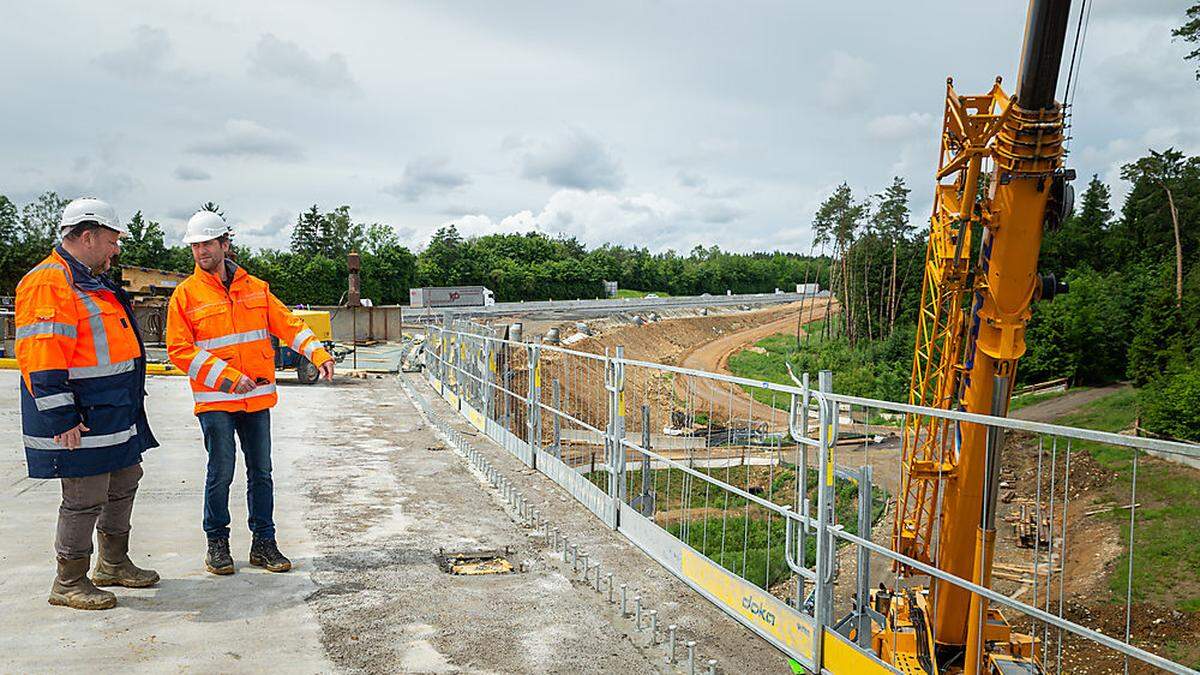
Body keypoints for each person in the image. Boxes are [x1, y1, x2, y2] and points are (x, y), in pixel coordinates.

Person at [165, 209, 333, 575]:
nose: (201, 252)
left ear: (225, 244)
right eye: (195, 246)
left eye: (207, 243)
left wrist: (317, 353)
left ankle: (264, 543)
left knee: (262, 473)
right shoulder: (185, 296)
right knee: (220, 472)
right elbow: (179, 350)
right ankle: (217, 544)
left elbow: (288, 323)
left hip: (255, 398)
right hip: (215, 402)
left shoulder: (256, 289)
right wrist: (227, 378)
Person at [15, 197, 159, 610]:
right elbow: (42, 356)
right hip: (80, 415)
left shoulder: (92, 280)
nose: (116, 250)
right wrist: (62, 416)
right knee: (84, 496)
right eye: (113, 241)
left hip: (113, 409)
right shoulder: (49, 282)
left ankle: (113, 564)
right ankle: (69, 581)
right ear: (88, 236)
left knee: (125, 479)